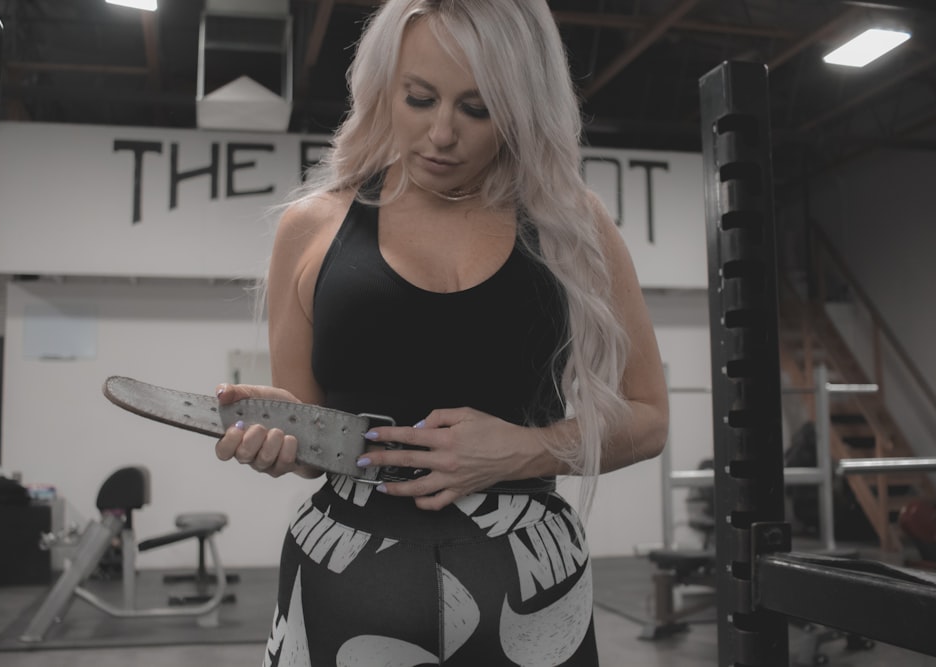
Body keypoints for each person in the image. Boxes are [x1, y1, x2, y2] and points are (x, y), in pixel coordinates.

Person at [213, 1, 669, 664]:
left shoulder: (574, 224)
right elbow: (313, 447)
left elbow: (650, 418)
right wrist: (281, 435)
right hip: (347, 580)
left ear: (521, 108)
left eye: (478, 109)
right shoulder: (313, 227)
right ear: (384, 86)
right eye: (419, 98)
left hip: (530, 587)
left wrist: (530, 449)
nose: (442, 133)